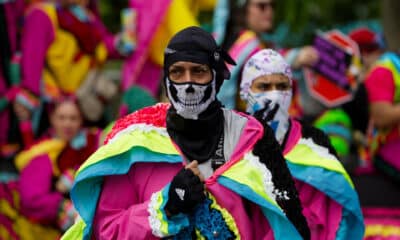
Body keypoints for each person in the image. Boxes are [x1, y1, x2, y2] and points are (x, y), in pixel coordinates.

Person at [61, 26, 310, 239]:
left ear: (216, 77)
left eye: (198, 72)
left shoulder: (253, 137)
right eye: (177, 72)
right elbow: (106, 233)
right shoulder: (135, 143)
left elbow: (286, 225)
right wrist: (165, 207)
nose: (188, 84)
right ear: (166, 79)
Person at [239, 49, 365, 239]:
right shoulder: (229, 143)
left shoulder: (315, 142)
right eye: (264, 87)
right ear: (245, 91)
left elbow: (335, 212)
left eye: (281, 86)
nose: (274, 95)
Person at [2, 96, 102, 239]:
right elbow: (32, 200)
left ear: (81, 121)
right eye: (62, 118)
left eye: (73, 118)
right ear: (52, 119)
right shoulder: (42, 154)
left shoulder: (90, 143)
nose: (67, 124)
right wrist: (63, 207)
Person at [212, 0, 319, 110]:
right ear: (244, 10)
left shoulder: (265, 42)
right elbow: (265, 63)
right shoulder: (246, 41)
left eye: (272, 5)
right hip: (247, 123)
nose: (269, 11)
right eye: (262, 6)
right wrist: (295, 58)